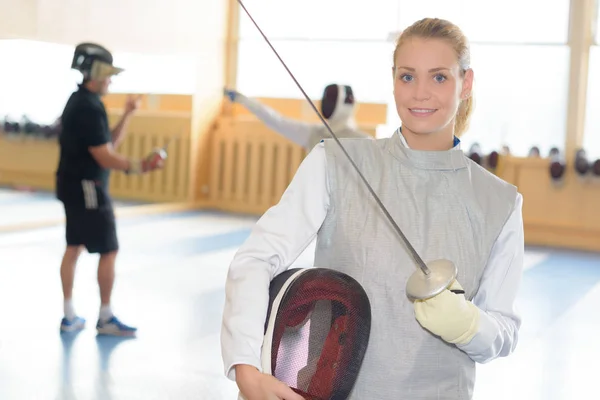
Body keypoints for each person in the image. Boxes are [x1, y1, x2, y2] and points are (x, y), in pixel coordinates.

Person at [221, 17, 524, 399]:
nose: (420, 94)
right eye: (408, 77)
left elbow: (505, 330)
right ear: (393, 79)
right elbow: (256, 257)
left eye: (439, 77)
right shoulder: (336, 161)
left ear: (466, 83)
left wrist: (469, 326)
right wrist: (245, 367)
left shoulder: (501, 201)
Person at [56, 43, 165, 336]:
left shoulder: (80, 101)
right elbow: (104, 156)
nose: (111, 81)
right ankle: (105, 318)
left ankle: (69, 317)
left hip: (72, 185)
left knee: (74, 246)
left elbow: (107, 144)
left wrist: (128, 114)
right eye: (108, 75)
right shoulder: (89, 107)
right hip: (88, 188)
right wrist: (141, 166)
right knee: (109, 249)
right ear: (97, 74)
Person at [223, 84, 372, 152]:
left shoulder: (363, 141)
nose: (326, 104)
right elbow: (277, 121)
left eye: (331, 100)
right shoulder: (316, 134)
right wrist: (243, 100)